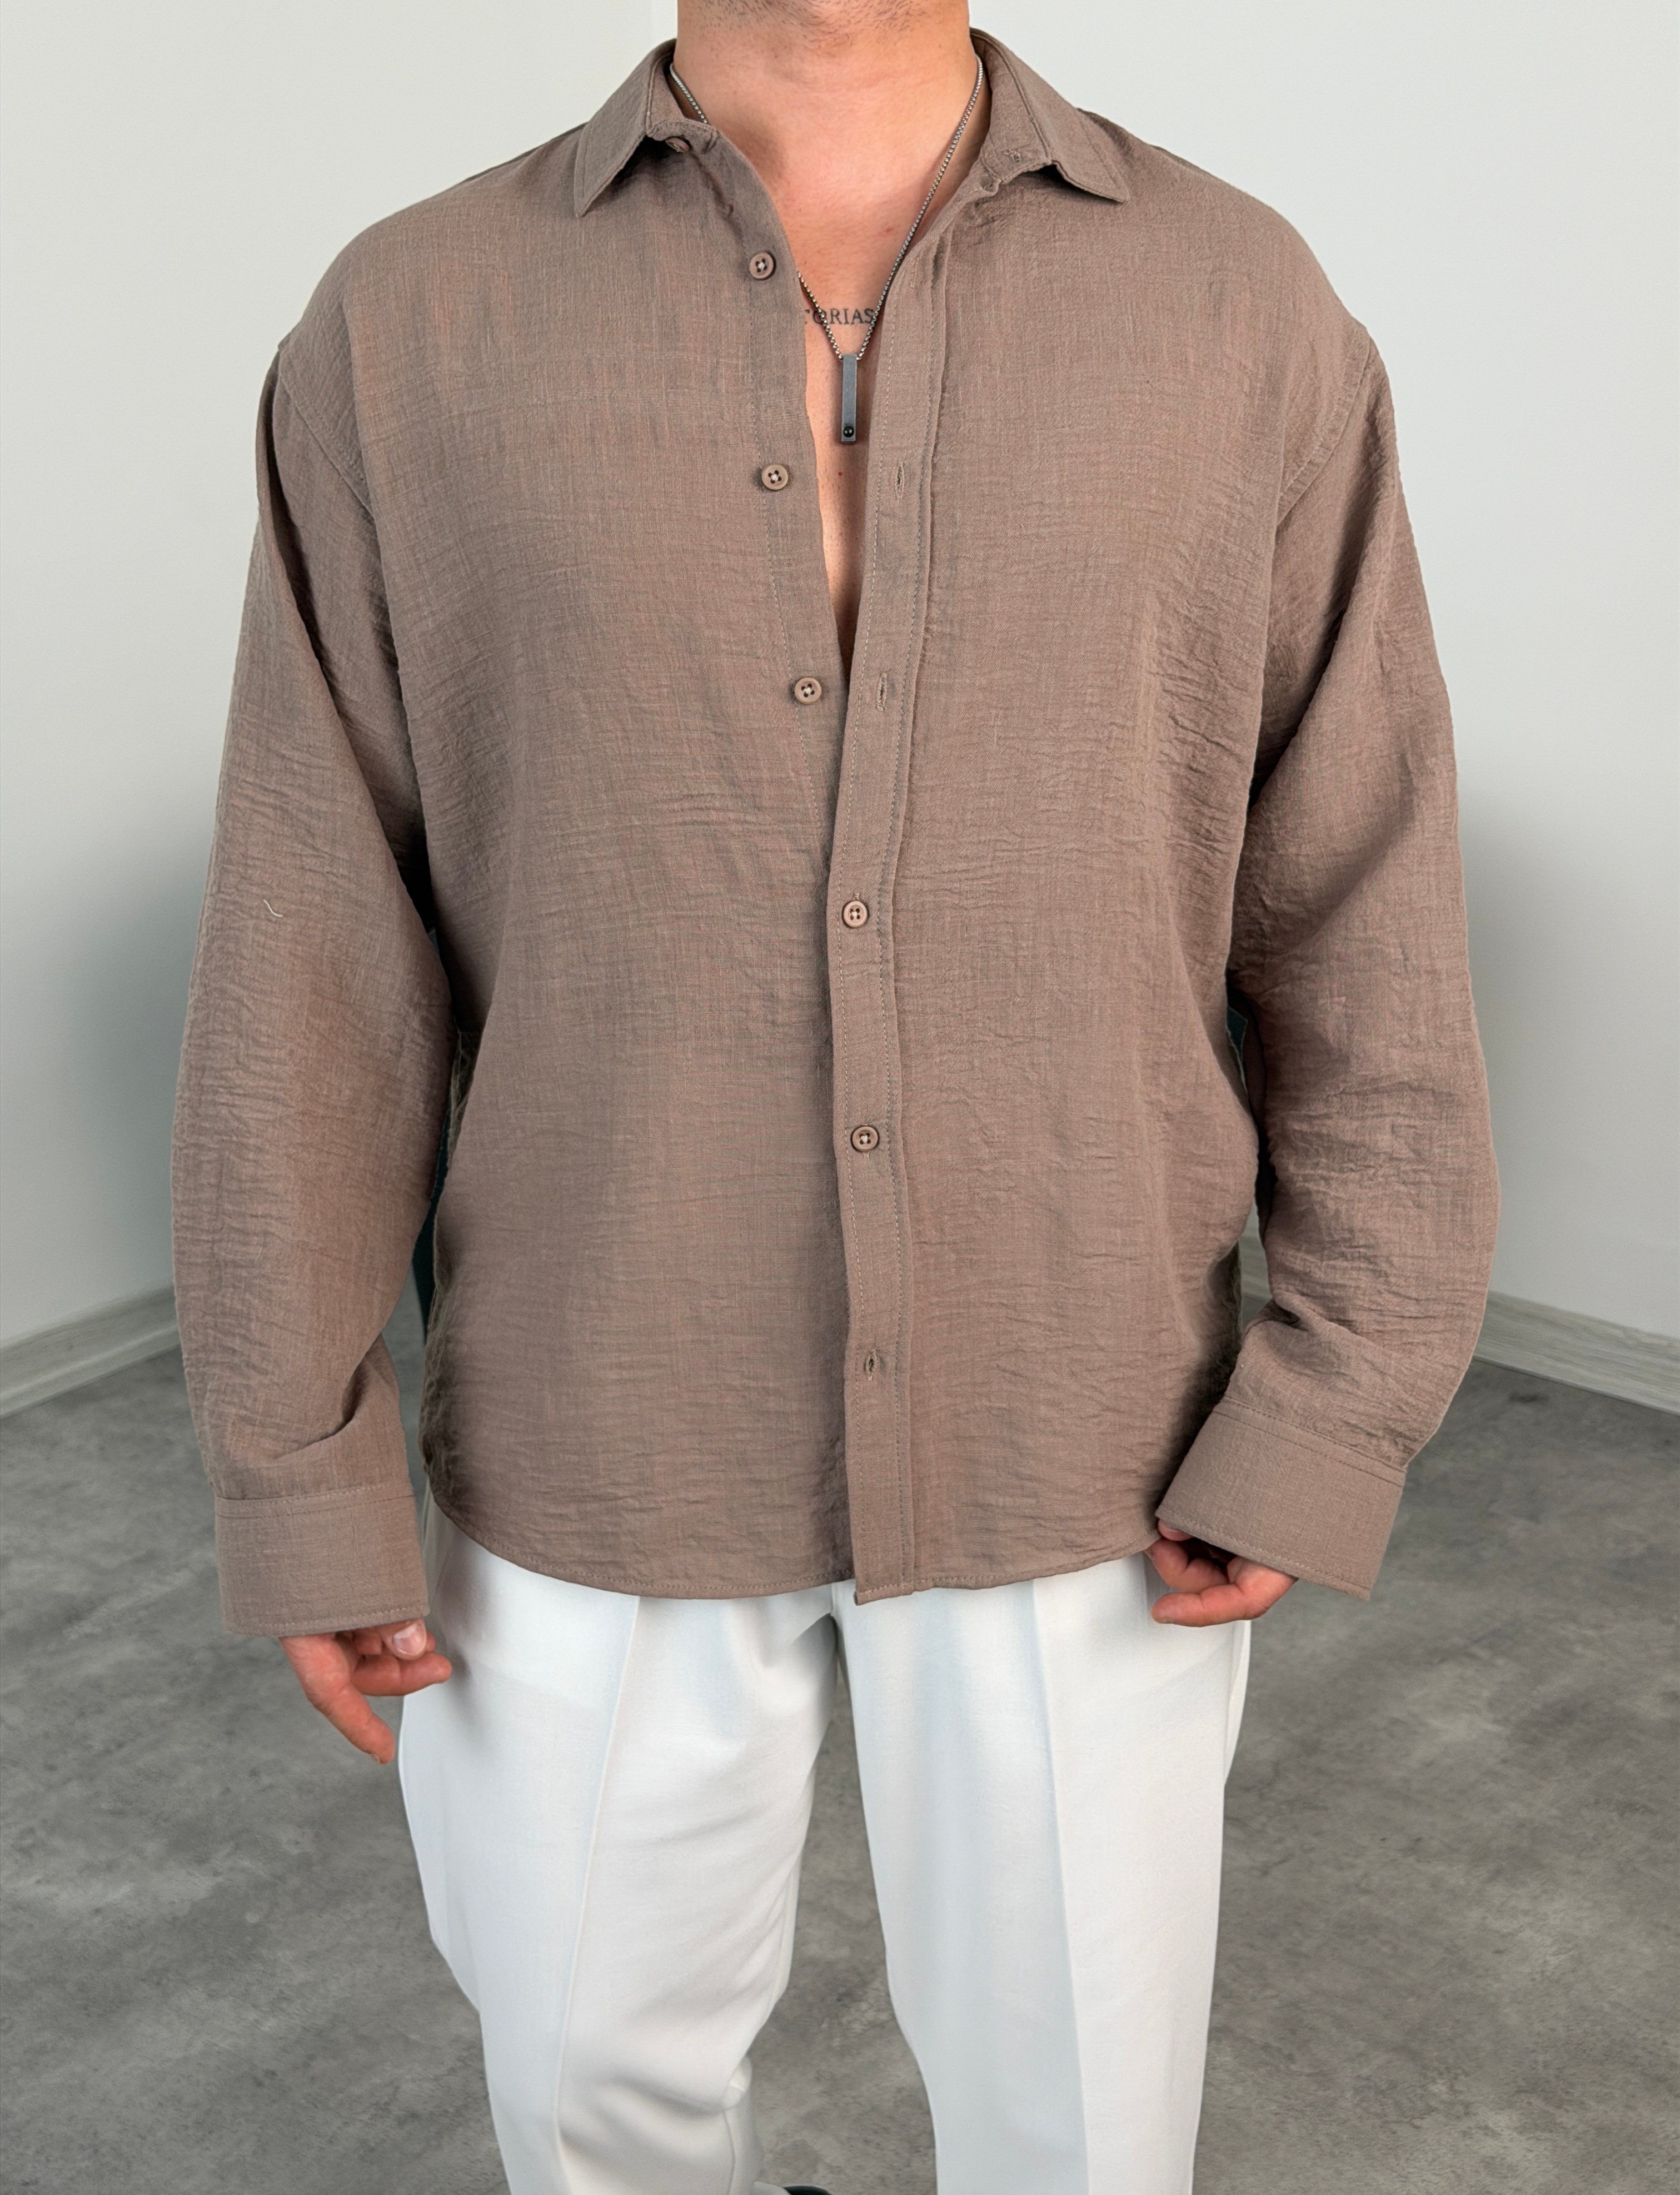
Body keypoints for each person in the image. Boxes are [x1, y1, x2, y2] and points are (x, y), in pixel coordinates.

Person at [170, 4, 1500, 2190]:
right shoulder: (409, 324)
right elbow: (314, 948)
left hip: (1089, 1422)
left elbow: (1356, 891)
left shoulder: (1240, 305)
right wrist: (292, 1460)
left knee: (1084, 2137)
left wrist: (1337, 1398)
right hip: (598, 1412)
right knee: (582, 2107)